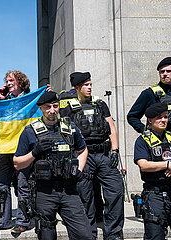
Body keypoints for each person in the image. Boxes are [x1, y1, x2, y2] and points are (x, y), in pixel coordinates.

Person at [13, 91, 92, 240]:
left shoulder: (70, 127)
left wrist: (79, 170)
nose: (52, 110)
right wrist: (35, 153)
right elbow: (17, 163)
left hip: (68, 189)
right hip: (44, 191)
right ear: (41, 109)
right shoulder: (30, 131)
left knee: (84, 234)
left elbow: (83, 150)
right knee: (47, 235)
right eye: (47, 107)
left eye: (55, 106)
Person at [60, 72, 124, 240]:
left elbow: (111, 128)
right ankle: (89, 234)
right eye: (86, 85)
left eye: (90, 84)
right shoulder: (67, 108)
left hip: (104, 155)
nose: (89, 87)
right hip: (83, 156)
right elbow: (65, 134)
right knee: (85, 197)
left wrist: (115, 151)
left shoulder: (100, 104)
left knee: (116, 191)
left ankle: (114, 234)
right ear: (77, 88)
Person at [127, 57, 171, 198]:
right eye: (162, 71)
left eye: (169, 71)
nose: (165, 74)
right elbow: (132, 116)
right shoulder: (150, 93)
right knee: (163, 181)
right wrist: (145, 131)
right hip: (162, 146)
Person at [133, 102, 171, 239]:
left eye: (165, 117)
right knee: (155, 236)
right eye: (159, 118)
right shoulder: (142, 140)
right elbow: (143, 164)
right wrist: (168, 165)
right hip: (155, 195)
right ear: (150, 120)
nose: (163, 120)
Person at [0, 70, 32, 235]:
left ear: (21, 82)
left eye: (11, 80)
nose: (8, 83)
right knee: (1, 184)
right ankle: (4, 220)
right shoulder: (5, 101)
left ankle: (23, 220)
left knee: (23, 185)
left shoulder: (30, 99)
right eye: (7, 80)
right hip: (5, 149)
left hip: (23, 150)